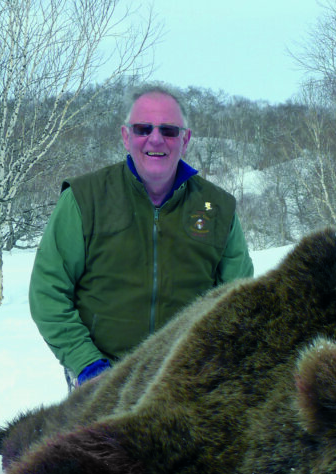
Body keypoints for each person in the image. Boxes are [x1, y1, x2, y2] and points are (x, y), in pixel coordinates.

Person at [29, 85, 253, 389]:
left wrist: (215, 365)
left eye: (169, 130)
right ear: (126, 136)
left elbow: (238, 301)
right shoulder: (84, 199)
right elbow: (48, 292)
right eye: (143, 128)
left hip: (189, 382)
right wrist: (87, 364)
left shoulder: (218, 207)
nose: (156, 138)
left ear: (185, 140)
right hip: (102, 379)